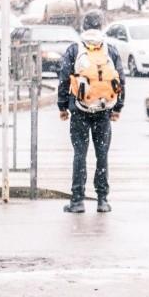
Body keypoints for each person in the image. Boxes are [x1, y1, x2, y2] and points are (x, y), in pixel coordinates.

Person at [57, 12, 125, 214]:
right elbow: (120, 79)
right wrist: (117, 107)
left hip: (79, 110)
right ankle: (102, 200)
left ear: (83, 26)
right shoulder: (109, 50)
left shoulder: (74, 49)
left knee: (80, 154)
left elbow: (64, 79)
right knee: (102, 155)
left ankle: (77, 201)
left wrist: (62, 107)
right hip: (104, 110)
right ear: (101, 26)